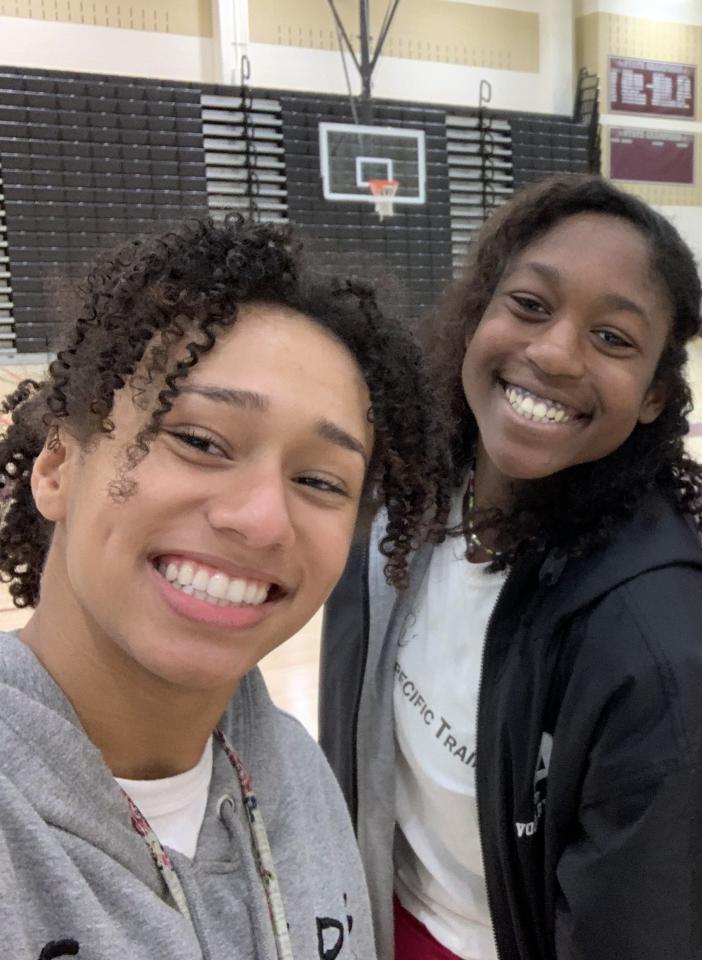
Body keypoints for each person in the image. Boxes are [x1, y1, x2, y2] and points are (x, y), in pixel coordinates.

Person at [319, 174, 702, 960]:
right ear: (478, 314)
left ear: (654, 395)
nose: (554, 351)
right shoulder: (399, 505)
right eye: (529, 304)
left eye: (612, 338)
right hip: (367, 918)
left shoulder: (667, 664)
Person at [0, 217, 441, 959]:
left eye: (319, 481)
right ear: (57, 467)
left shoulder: (300, 776)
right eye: (200, 441)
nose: (263, 520)